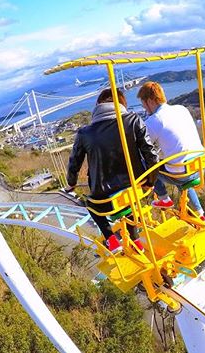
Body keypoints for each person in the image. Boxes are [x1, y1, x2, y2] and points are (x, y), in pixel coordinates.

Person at [66, 88, 159, 253]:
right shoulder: (133, 120)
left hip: (104, 198)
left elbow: (74, 163)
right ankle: (136, 241)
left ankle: (111, 239)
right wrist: (150, 181)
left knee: (90, 203)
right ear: (122, 104)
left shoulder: (85, 133)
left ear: (98, 106)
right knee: (127, 200)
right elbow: (151, 155)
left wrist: (71, 183)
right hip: (135, 188)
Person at [137, 81, 205, 221]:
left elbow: (142, 146)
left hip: (181, 172)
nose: (144, 108)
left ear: (150, 100)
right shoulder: (181, 109)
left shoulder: (155, 120)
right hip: (200, 166)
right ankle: (200, 213)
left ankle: (163, 198)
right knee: (180, 167)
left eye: (143, 103)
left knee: (145, 162)